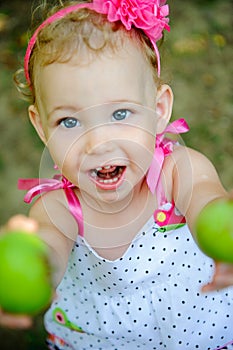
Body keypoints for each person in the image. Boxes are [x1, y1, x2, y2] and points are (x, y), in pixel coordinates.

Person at [0, 0, 233, 349]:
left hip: (193, 330)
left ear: (158, 111)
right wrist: (25, 265)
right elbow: (49, 251)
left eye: (121, 113)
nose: (97, 143)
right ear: (41, 127)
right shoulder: (56, 208)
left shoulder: (179, 172)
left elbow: (207, 202)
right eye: (69, 121)